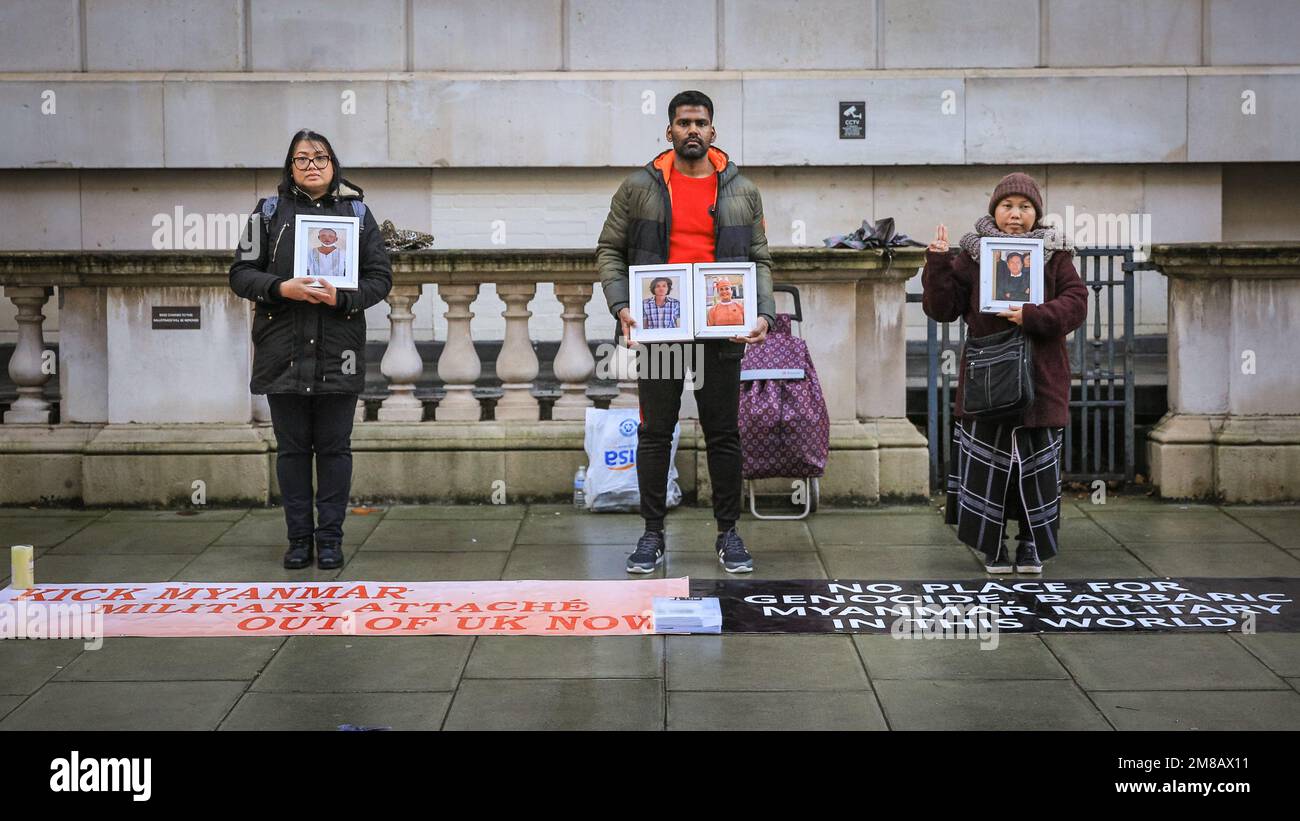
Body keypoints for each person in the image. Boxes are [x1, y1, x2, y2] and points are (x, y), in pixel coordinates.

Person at [597, 89, 776, 574]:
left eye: (700, 123)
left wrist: (763, 313)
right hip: (660, 329)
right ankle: (652, 535)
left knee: (723, 434)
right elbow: (609, 251)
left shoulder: (741, 189)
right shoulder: (639, 187)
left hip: (722, 330)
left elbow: (759, 259)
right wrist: (621, 305)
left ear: (712, 131)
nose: (692, 130)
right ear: (669, 131)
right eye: (683, 123)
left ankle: (728, 533)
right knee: (656, 433)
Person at [229, 129, 392, 570]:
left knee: (335, 450)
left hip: (339, 351)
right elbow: (240, 274)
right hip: (282, 350)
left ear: (334, 164)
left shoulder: (356, 213)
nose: (312, 166)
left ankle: (331, 539)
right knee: (292, 451)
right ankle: (299, 540)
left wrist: (341, 298)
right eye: (302, 159)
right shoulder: (266, 214)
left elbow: (380, 279)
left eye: (320, 158)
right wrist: (282, 288)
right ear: (290, 166)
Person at [921, 172, 1086, 574]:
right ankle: (991, 545)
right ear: (994, 210)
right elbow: (942, 308)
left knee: (1034, 471)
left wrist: (1031, 315)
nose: (1016, 215)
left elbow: (1076, 303)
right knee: (989, 468)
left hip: (1041, 379)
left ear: (1036, 213)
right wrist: (938, 264)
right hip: (988, 378)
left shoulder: (1055, 254)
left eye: (1025, 207)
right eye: (1008, 206)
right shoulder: (974, 254)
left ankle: (1031, 544)